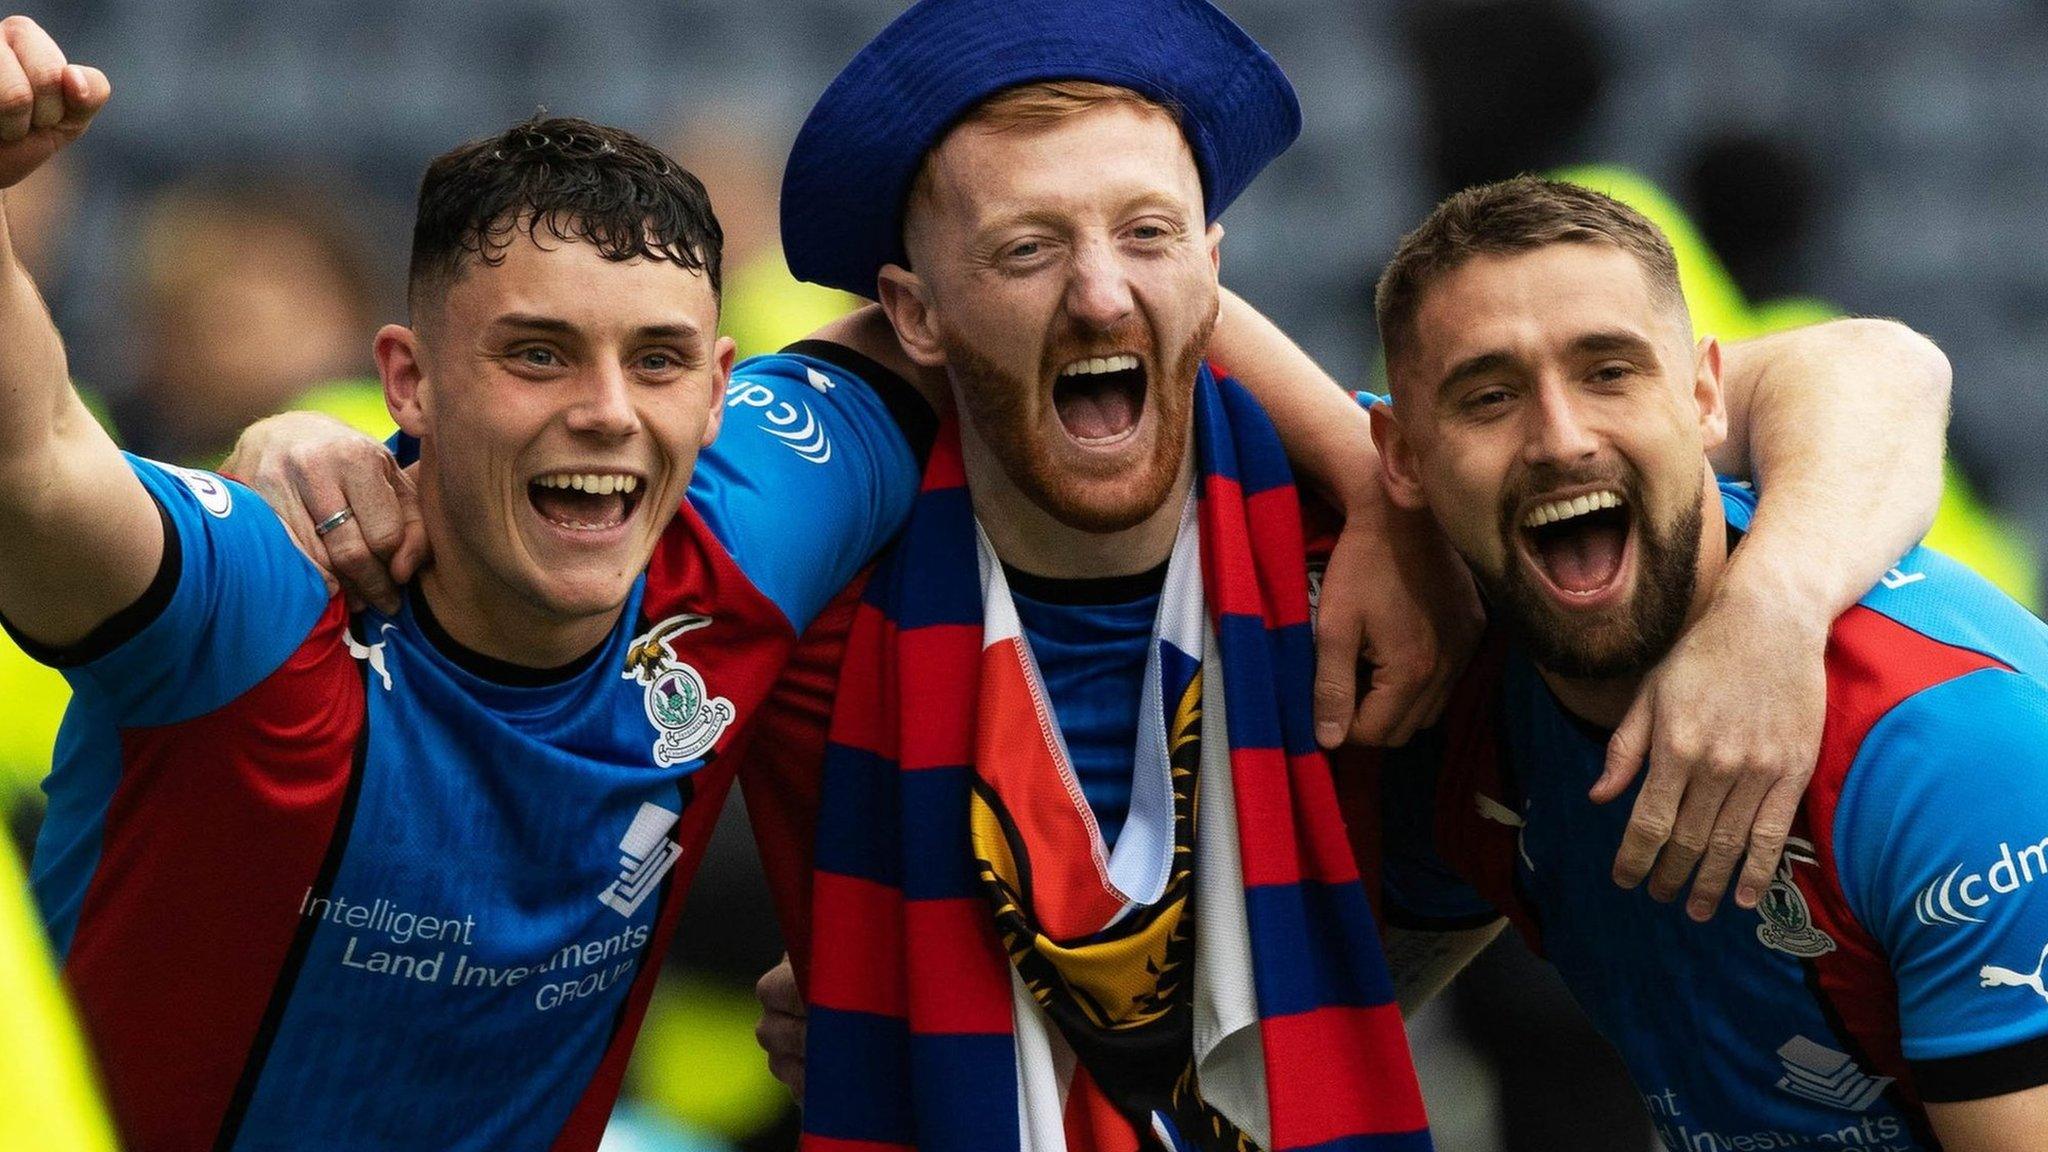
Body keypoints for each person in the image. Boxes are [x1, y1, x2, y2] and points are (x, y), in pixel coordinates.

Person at [0, 18, 934, 1147]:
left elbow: (1014, 314)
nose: (607, 409)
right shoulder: (266, 591)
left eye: (659, 359)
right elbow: (34, 462)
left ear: (719, 382)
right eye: (536, 353)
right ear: (408, 379)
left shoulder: (760, 520)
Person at [1351, 176, 2048, 1150]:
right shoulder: (1468, 701)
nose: (1559, 441)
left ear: (1704, 395)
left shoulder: (1945, 749)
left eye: (1607, 373)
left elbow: (1887, 360)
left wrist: (1771, 613)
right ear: (1399, 457)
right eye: (1488, 397)